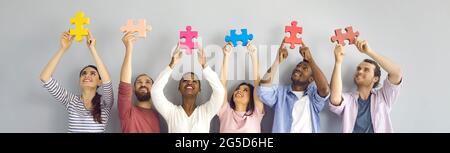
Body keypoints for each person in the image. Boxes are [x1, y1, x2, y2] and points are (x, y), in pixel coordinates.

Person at [40, 31, 113, 133]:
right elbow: (45, 77)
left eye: (93, 74)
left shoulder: (105, 102)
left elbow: (107, 81)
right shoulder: (71, 100)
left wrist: (92, 49)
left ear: (99, 82)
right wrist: (63, 49)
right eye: (84, 73)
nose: (87, 75)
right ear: (80, 81)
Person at [329, 38, 403, 133]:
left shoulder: (383, 97)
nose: (360, 71)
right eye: (358, 68)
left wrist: (369, 52)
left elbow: (396, 73)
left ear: (375, 78)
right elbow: (335, 98)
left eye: (366, 69)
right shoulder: (348, 99)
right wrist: (338, 62)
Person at [257, 40, 329, 133]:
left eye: (304, 68)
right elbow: (263, 89)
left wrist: (310, 59)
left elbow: (325, 89)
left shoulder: (313, 96)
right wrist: (277, 61)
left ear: (311, 79)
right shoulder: (280, 93)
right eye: (298, 66)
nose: (298, 68)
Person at [151, 43, 225, 133]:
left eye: (194, 81)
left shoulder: (206, 111)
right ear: (179, 88)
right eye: (185, 81)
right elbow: (155, 91)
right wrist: (172, 64)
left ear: (199, 90)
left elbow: (220, 92)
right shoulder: (171, 112)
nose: (190, 82)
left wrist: (205, 66)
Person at [118, 31, 160, 133]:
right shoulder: (127, 111)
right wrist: (129, 48)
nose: (143, 84)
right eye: (139, 82)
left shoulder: (156, 115)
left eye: (147, 82)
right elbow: (124, 84)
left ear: (154, 88)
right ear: (133, 89)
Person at [218, 42, 264, 133]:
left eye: (245, 90)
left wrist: (253, 55)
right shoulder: (225, 112)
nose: (239, 90)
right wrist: (226, 56)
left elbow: (258, 85)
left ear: (251, 97)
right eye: (238, 89)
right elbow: (221, 85)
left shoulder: (256, 114)